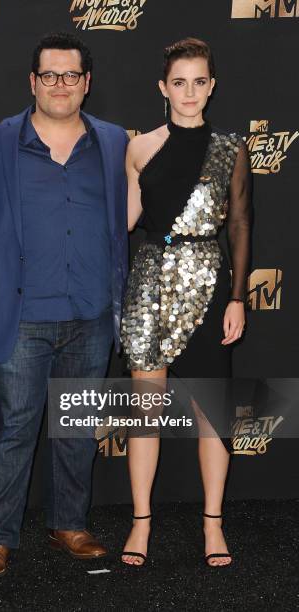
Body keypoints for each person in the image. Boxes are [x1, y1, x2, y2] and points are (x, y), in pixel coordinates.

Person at [0, 32, 129, 578]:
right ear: (33, 82)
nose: (60, 85)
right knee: (13, 429)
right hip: (21, 315)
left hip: (90, 313)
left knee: (77, 426)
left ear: (86, 82)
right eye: (49, 75)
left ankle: (70, 525)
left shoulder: (113, 142)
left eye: (71, 75)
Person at [121, 38, 252, 567]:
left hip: (209, 282)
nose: (190, 92)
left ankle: (213, 525)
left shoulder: (231, 148)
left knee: (210, 416)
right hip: (148, 284)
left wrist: (239, 296)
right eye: (179, 82)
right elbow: (124, 222)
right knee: (145, 412)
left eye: (200, 81)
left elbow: (240, 224)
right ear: (163, 87)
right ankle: (140, 522)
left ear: (212, 86)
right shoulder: (138, 148)